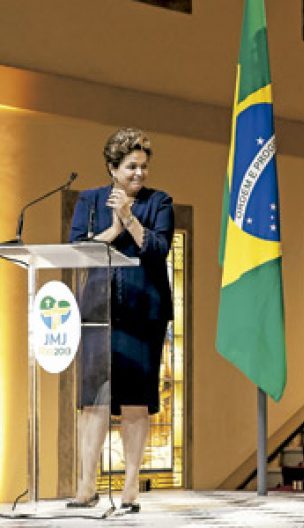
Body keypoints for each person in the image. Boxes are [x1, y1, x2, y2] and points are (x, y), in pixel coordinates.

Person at [67, 127, 174, 513]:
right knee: (93, 401)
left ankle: (130, 488)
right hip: (97, 313)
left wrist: (129, 219)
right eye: (131, 167)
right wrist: (112, 229)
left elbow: (158, 248)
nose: (139, 174)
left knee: (135, 401)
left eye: (144, 167)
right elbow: (77, 248)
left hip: (143, 313)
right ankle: (85, 487)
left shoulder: (159, 202)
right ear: (113, 167)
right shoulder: (90, 200)